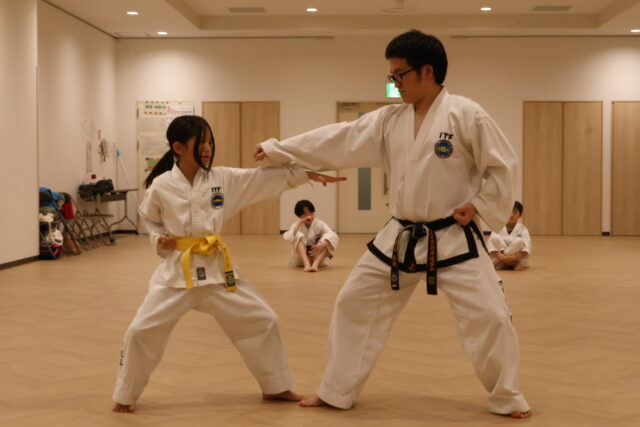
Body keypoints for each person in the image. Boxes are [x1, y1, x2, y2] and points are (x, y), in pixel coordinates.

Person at [254, 30, 531, 418]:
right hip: (400, 235)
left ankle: (506, 396)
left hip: (453, 235)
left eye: (400, 75)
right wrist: (280, 149)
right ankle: (336, 390)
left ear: (427, 71)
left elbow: (502, 166)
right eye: (392, 76)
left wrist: (480, 204)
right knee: (353, 301)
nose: (395, 83)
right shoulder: (390, 119)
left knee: (492, 315)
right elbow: (339, 138)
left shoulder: (466, 114)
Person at [112, 115, 344, 413]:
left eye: (210, 141)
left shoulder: (222, 179)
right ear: (178, 148)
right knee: (141, 330)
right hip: (176, 274)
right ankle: (125, 394)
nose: (208, 148)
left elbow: (264, 179)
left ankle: (275, 386)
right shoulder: (161, 185)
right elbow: (151, 221)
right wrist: (159, 240)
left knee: (262, 319)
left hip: (218, 271)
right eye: (201, 142)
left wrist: (307, 174)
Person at [283, 199, 339, 272]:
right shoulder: (297, 225)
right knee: (297, 235)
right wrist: (300, 222)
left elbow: (332, 235)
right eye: (305, 214)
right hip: (301, 259)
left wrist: (322, 244)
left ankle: (315, 264)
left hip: (317, 255)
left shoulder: (319, 223)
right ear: (299, 216)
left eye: (311, 213)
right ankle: (306, 264)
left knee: (327, 239)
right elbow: (290, 235)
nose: (309, 216)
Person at [487, 201, 531, 271]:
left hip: (515, 259)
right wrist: (500, 256)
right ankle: (514, 263)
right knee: (494, 238)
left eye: (515, 212)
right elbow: (491, 245)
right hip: (501, 257)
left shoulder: (523, 229)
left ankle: (501, 261)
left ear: (520, 215)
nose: (511, 215)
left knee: (519, 241)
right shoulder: (498, 226)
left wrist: (510, 258)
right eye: (509, 212)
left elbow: (526, 249)